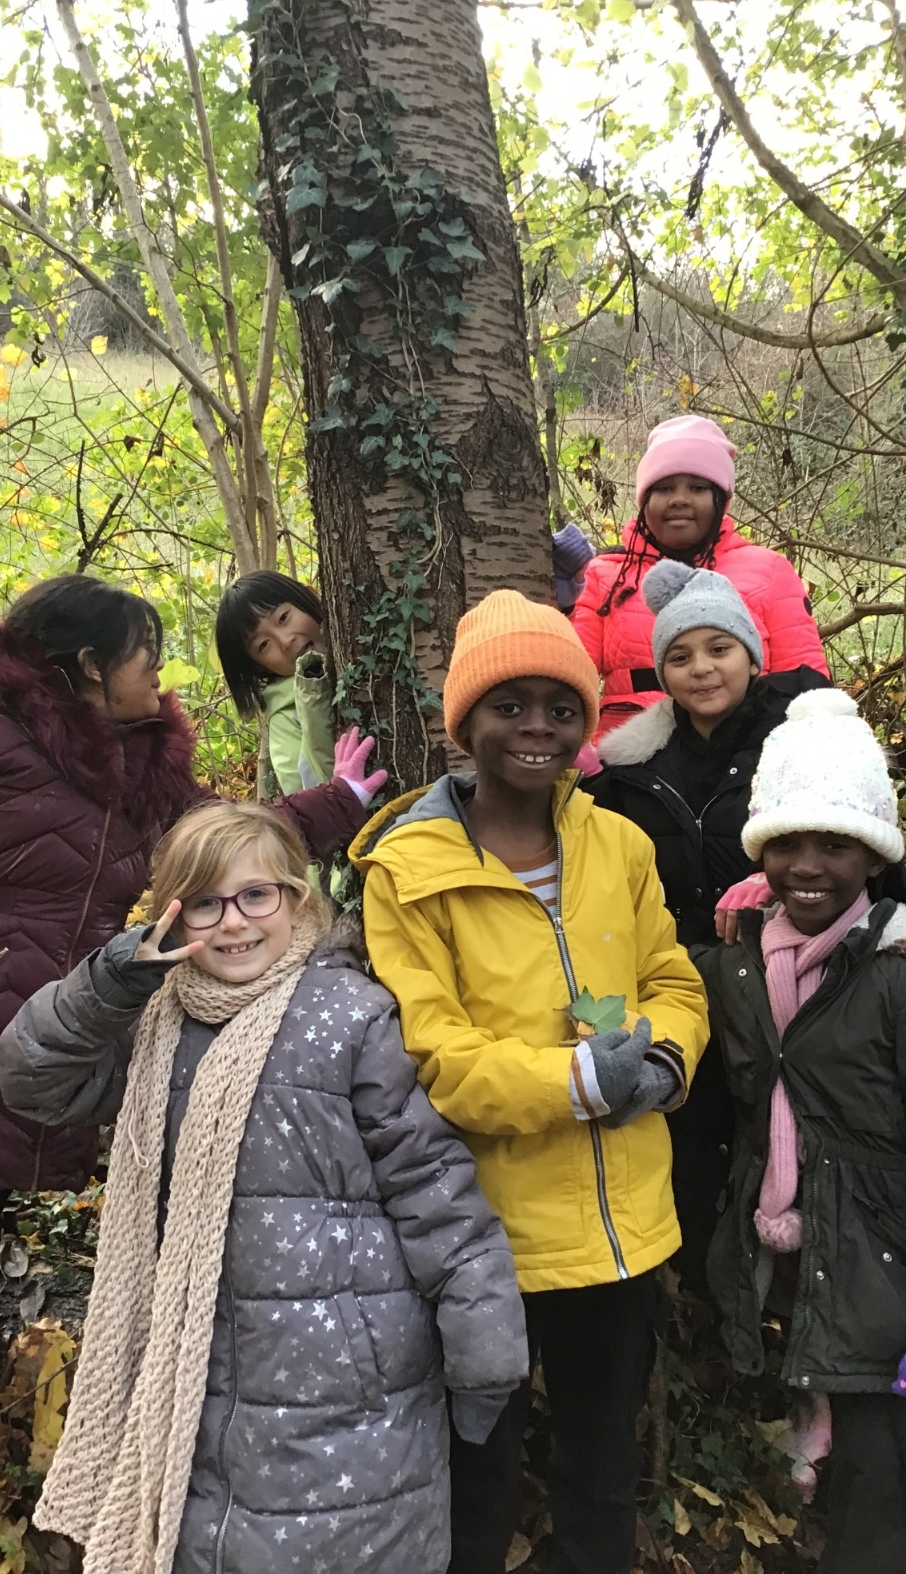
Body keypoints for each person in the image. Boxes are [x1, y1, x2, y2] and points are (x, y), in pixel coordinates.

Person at [0, 574, 383, 1474]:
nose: (158, 672)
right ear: (88, 665)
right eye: (144, 655)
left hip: (48, 1019)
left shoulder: (139, 764)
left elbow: (220, 839)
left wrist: (336, 802)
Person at [0, 802, 527, 1574]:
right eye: (206, 904)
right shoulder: (156, 1026)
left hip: (345, 1398)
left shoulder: (351, 1018)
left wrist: (485, 1357)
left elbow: (433, 1187)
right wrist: (111, 982)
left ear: (298, 898)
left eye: (256, 895)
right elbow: (33, 1078)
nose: (235, 922)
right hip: (187, 1386)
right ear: (171, 919)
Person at [351, 589, 709, 1574]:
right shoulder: (407, 870)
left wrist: (665, 1059)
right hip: (482, 1237)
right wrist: (579, 1082)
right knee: (478, 1481)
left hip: (622, 1227)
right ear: (463, 723)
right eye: (509, 706)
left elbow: (672, 980)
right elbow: (435, 1055)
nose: (537, 728)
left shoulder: (617, 844)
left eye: (560, 707)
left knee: (601, 1468)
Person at [700, 689, 906, 1572]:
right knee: (863, 1505)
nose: (808, 866)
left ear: (873, 853)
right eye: (785, 843)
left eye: (834, 844)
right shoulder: (742, 968)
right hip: (818, 1284)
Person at [582, 560, 830, 1296]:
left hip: (788, 976)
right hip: (681, 980)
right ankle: (702, 1295)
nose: (701, 670)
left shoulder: (803, 739)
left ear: (752, 654)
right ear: (661, 671)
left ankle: (793, 1297)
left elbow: (856, 837)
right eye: (681, 656)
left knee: (781, 1134)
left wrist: (781, 871)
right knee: (695, 1135)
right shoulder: (634, 764)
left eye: (719, 649)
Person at [571, 414, 828, 735]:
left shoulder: (770, 571)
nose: (679, 499)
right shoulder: (607, 576)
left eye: (697, 487)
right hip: (628, 750)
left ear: (720, 499)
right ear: (645, 500)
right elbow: (567, 677)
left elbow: (807, 688)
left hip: (745, 745)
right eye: (664, 487)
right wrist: (562, 598)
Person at [215, 572, 334, 796]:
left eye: (283, 618)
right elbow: (310, 801)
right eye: (263, 645)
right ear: (258, 666)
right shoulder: (284, 722)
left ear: (311, 594)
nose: (285, 641)